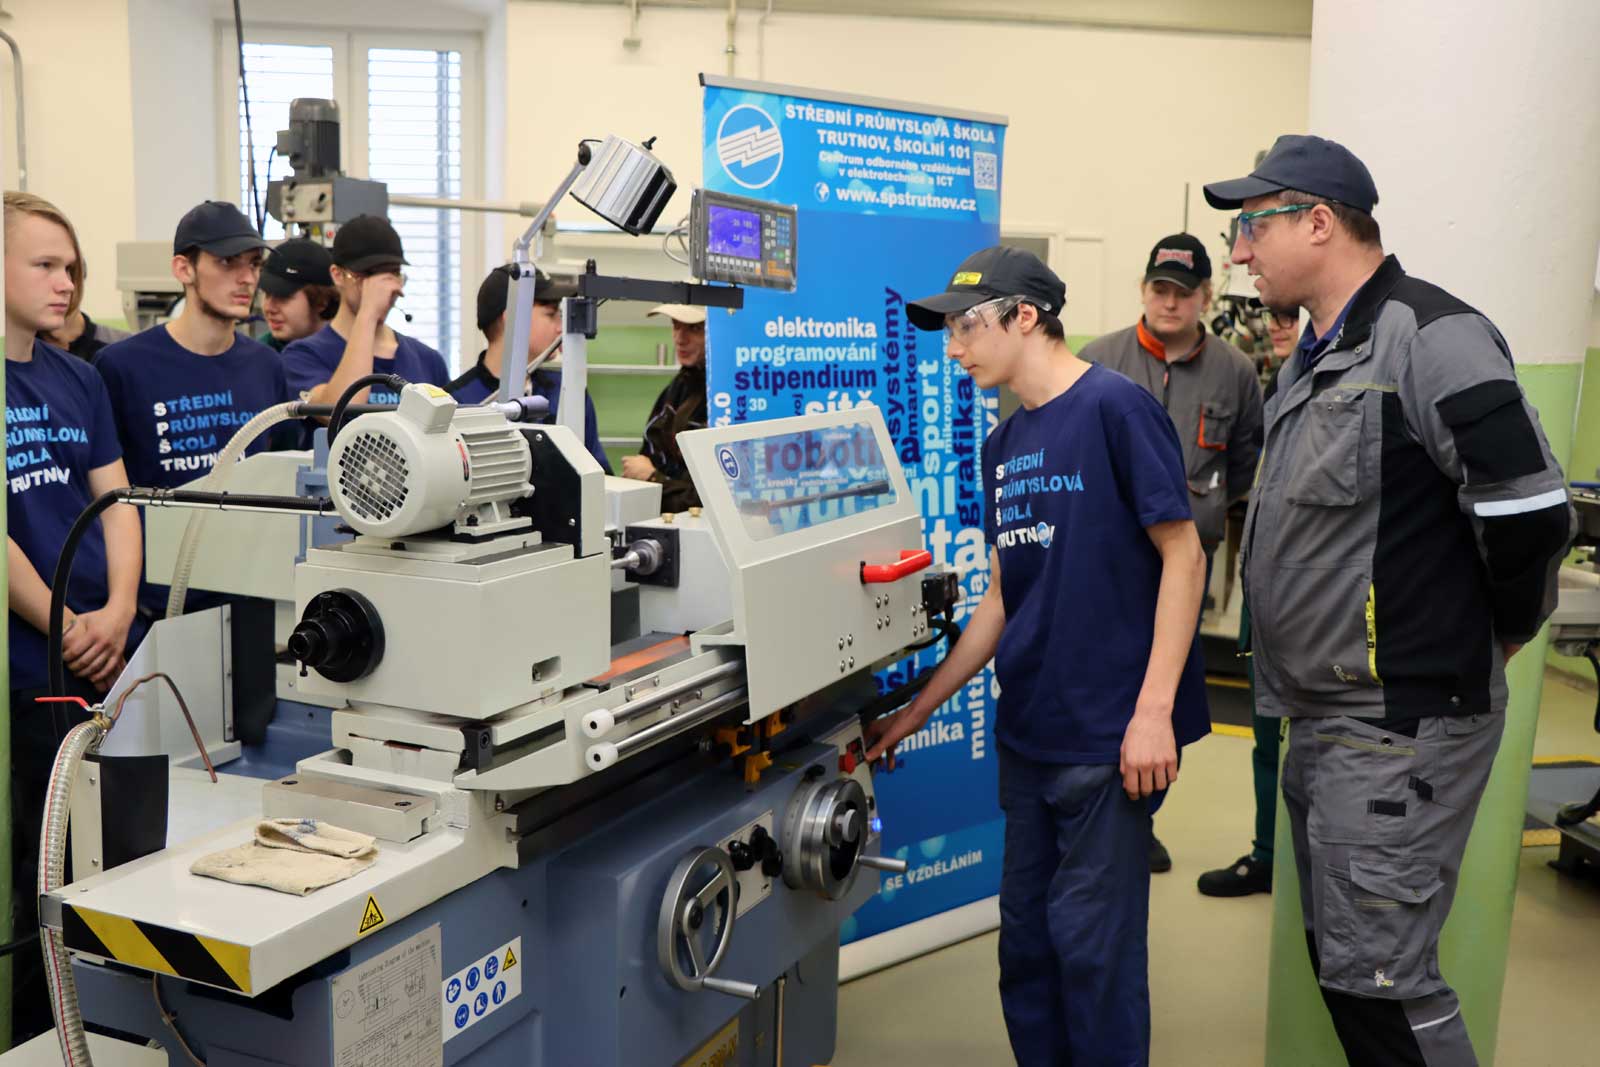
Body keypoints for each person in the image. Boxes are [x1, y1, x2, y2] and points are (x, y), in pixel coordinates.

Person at [1205, 134, 1572, 1065]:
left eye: (1253, 226)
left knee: (1383, 988)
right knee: (1348, 967)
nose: (1240, 252)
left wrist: (1499, 629)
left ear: (1318, 223)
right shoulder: (1318, 353)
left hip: (1397, 727)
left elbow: (1530, 511)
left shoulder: (1432, 336)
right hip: (1331, 719)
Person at [865, 246, 1209, 1065]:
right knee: (1026, 947)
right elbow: (1002, 596)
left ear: (1026, 316)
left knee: (1094, 951)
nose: (954, 348)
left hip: (1107, 737)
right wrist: (915, 709)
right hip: (1029, 734)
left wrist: (1153, 712)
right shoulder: (1004, 443)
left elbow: (1185, 554)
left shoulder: (1115, 408)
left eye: (966, 327)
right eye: (949, 332)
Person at [4, 191, 143, 1041]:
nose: (65, 283)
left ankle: (110, 1026)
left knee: (110, 854)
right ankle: (39, 1034)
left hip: (107, 648)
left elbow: (118, 503)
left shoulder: (78, 378)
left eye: (71, 267)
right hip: (34, 663)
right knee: (40, 864)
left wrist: (120, 609)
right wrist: (65, 626)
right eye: (44, 265)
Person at [1080, 233, 1264, 874]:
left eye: (1184, 293)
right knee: (1106, 689)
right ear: (1143, 289)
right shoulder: (1099, 361)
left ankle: (1142, 818)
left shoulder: (1236, 373)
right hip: (1106, 569)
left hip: (1184, 566)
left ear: (1206, 297)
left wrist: (1197, 518)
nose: (1170, 302)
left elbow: (1244, 462)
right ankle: (1099, 813)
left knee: (1168, 700)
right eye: (1160, 289)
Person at [95, 202, 291, 616]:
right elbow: (105, 497)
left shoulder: (266, 366)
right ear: (184, 269)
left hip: (250, 592)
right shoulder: (123, 366)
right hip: (160, 599)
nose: (247, 278)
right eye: (227, 262)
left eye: (254, 264)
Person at [1198, 304, 1300, 899]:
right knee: (1268, 741)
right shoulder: (1282, 386)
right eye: (1276, 317)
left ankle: (1301, 865)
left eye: (1294, 316)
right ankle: (1267, 854)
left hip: (1319, 608)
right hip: (1269, 596)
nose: (1280, 326)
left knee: (1315, 751)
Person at [280, 214, 451, 417]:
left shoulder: (427, 360)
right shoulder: (303, 355)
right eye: (368, 275)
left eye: (393, 273)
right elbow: (338, 413)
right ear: (337, 275)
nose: (383, 288)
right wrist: (368, 313)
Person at [448, 264, 611, 471]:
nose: (560, 327)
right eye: (551, 314)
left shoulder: (568, 391)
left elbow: (598, 474)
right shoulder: (455, 403)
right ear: (513, 319)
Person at [620, 304, 707, 512]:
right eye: (676, 326)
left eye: (694, 329)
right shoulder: (680, 385)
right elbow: (649, 450)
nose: (680, 339)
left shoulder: (725, 400)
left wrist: (653, 478)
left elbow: (706, 497)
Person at [41, 248, 130, 361]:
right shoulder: (23, 351)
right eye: (44, 267)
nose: (64, 286)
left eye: (69, 269)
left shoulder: (123, 348)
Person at [258, 237, 339, 350]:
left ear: (321, 302)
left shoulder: (350, 352)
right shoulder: (257, 354)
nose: (269, 308)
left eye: (283, 297)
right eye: (266, 294)